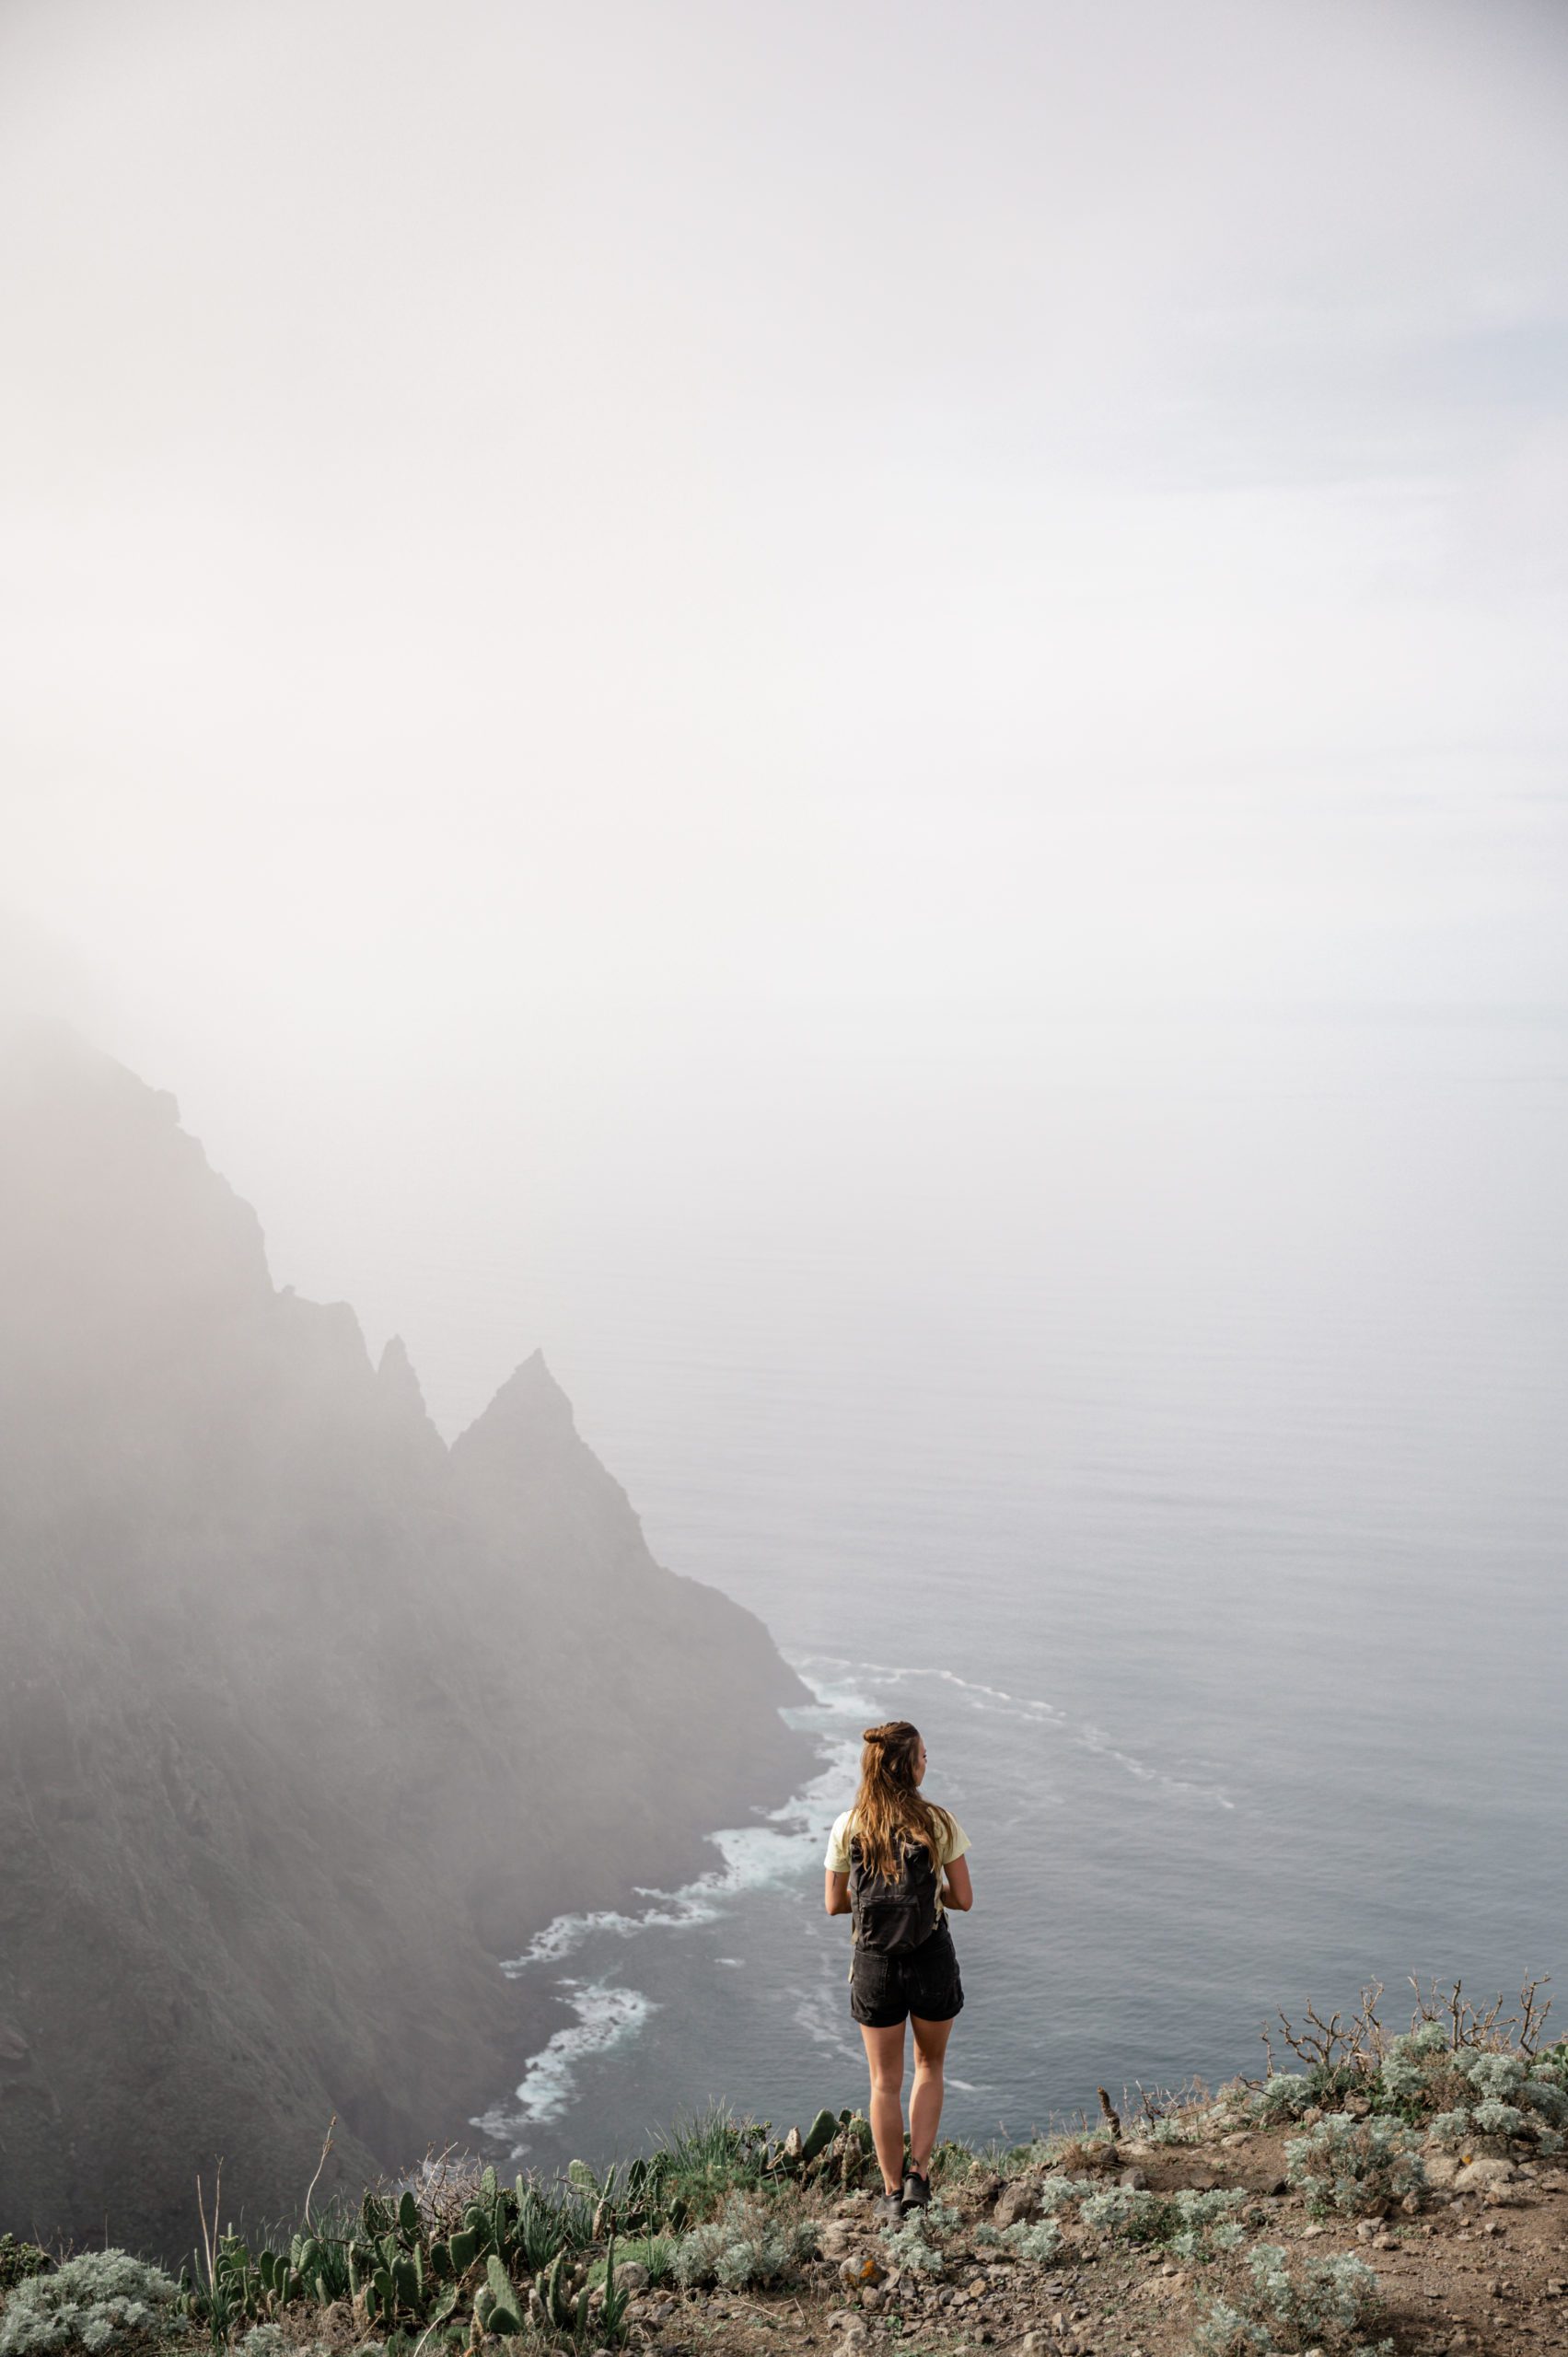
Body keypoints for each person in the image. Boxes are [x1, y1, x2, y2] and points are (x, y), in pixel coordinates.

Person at [823, 1719, 972, 2224]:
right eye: (924, 1756)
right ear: (908, 1766)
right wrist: (927, 1897)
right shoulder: (938, 1823)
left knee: (884, 2082)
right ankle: (919, 2178)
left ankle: (889, 2194)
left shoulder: (849, 1825)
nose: (928, 1762)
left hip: (874, 1964)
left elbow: (832, 1904)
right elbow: (965, 1900)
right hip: (930, 1956)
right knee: (929, 2068)